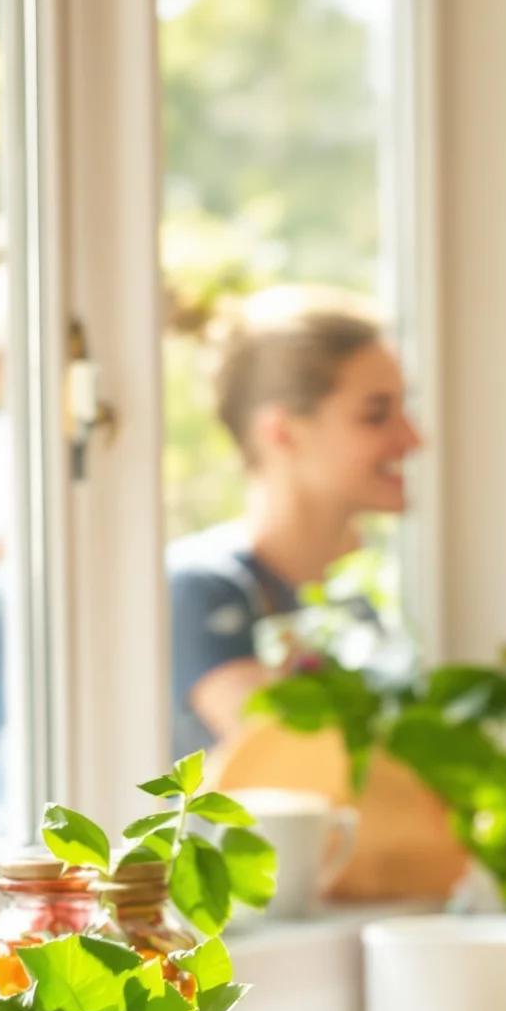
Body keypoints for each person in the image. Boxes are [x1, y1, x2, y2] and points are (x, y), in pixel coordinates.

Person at [167, 287, 422, 761]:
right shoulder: (201, 591)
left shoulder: (356, 605)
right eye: (376, 414)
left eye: (404, 408)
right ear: (281, 431)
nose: (413, 438)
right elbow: (302, 768)